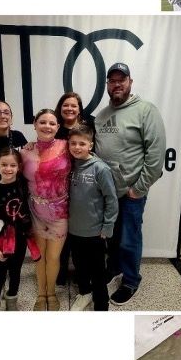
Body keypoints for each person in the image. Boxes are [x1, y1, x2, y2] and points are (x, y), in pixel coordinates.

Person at [94, 62, 166, 306]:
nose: (117, 84)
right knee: (111, 237)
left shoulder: (146, 111)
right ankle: (114, 269)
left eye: (121, 80)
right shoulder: (101, 116)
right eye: (112, 81)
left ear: (130, 82)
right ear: (107, 85)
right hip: (107, 193)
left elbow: (156, 155)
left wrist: (139, 189)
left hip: (131, 192)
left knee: (128, 238)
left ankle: (131, 280)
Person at [20, 108, 71, 311]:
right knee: (39, 256)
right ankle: (41, 294)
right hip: (35, 212)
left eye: (52, 123)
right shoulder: (24, 151)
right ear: (35, 124)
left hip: (60, 212)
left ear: (58, 127)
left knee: (53, 257)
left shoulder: (67, 147)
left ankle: (51, 292)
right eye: (43, 122)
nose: (47, 126)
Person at [66, 125, 118, 311]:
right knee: (80, 267)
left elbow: (111, 200)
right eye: (73, 143)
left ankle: (101, 303)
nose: (77, 147)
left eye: (82, 143)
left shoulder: (100, 169)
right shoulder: (69, 166)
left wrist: (107, 226)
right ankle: (84, 293)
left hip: (95, 232)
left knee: (97, 271)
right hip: (73, 230)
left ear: (91, 145)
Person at [0, 147, 33, 311]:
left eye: (13, 165)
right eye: (4, 164)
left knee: (16, 272)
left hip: (19, 238)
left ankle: (12, 302)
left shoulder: (23, 185)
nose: (8, 169)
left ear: (19, 167)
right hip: (0, 240)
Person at [54, 91, 94, 286]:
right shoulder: (54, 129)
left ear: (79, 110)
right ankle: (60, 274)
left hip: (82, 186)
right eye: (65, 105)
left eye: (74, 105)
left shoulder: (87, 129)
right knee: (61, 233)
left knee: (80, 235)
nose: (69, 109)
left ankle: (82, 277)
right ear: (60, 109)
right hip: (58, 190)